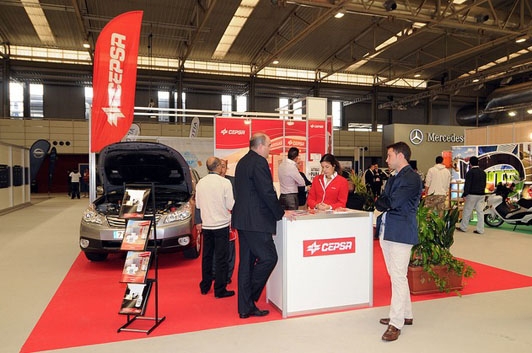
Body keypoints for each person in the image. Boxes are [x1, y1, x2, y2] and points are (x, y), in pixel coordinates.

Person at [232, 133, 285, 319]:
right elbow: (267, 192)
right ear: (261, 145)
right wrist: (280, 214)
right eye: (269, 146)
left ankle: (245, 307)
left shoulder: (243, 162)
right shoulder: (259, 162)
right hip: (256, 222)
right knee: (269, 258)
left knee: (246, 264)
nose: (270, 150)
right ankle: (249, 299)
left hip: (244, 221)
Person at [375, 141, 422, 342]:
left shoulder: (411, 178)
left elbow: (391, 201)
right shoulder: (395, 176)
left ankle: (396, 322)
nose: (387, 160)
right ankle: (407, 314)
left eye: (389, 156)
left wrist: (381, 201)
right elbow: (384, 198)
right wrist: (382, 201)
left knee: (398, 277)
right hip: (388, 231)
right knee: (396, 276)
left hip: (401, 232)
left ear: (400, 156)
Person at [195, 156, 235, 298]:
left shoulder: (200, 183)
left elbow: (198, 205)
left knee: (207, 257)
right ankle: (220, 289)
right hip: (221, 225)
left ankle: (205, 286)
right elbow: (231, 205)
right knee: (221, 258)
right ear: (218, 167)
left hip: (207, 225)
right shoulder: (225, 183)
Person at [458, 156, 487, 234]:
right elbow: (484, 184)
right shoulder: (483, 172)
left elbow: (468, 185)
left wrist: (464, 195)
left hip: (472, 194)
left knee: (467, 211)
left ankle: (463, 227)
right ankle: (480, 229)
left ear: (470, 163)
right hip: (481, 194)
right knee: (480, 212)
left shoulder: (470, 173)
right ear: (478, 162)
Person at [218, 159, 236, 284]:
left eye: (223, 166)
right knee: (216, 250)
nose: (221, 169)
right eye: (219, 166)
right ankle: (216, 274)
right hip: (214, 221)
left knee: (230, 249)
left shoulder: (233, 181)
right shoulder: (208, 182)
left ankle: (228, 275)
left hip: (229, 221)